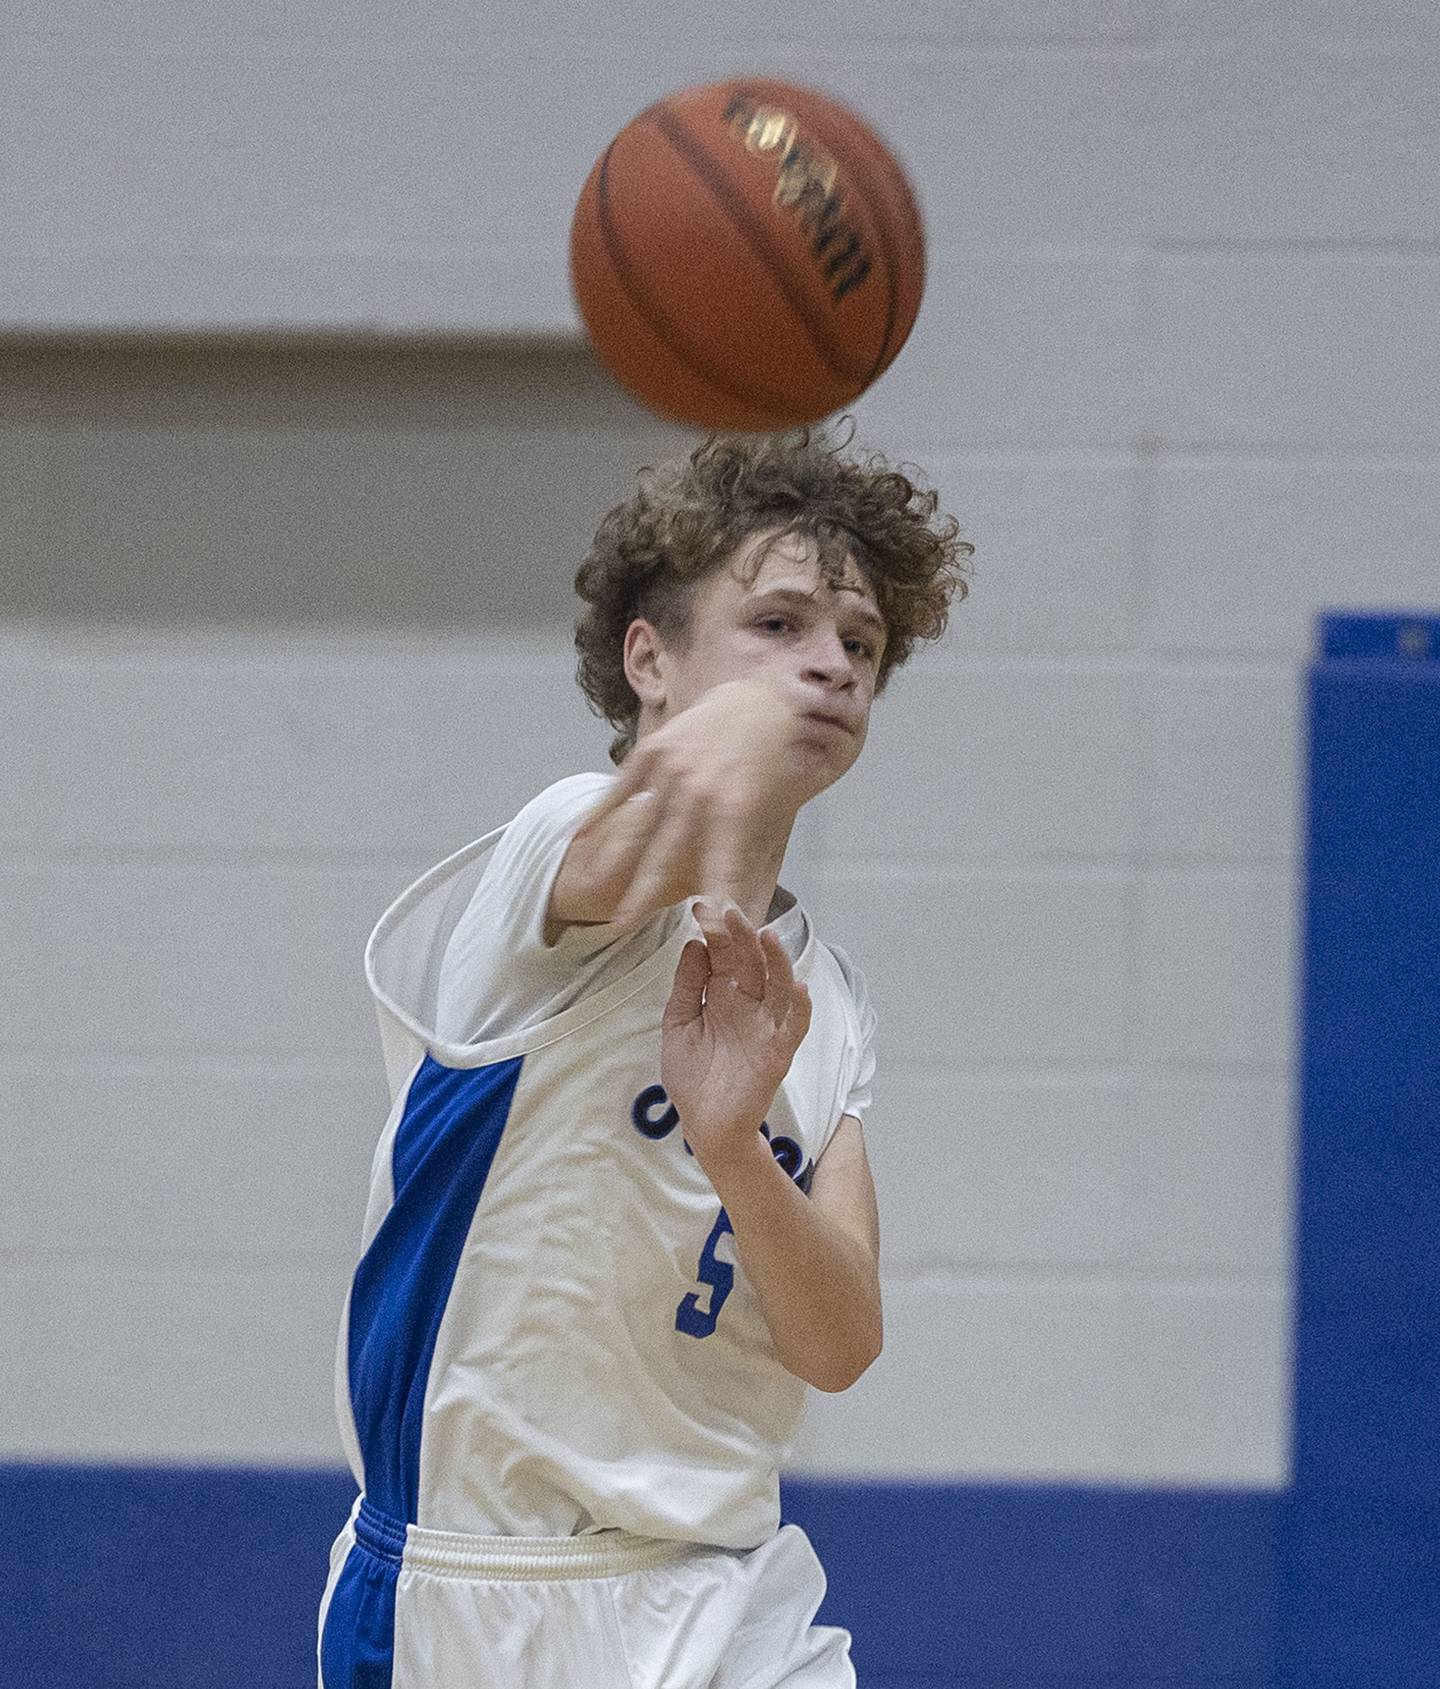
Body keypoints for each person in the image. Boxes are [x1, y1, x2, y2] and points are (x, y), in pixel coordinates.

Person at [316, 425, 969, 1688]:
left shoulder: (827, 1002)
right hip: (482, 1595)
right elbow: (651, 825)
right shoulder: (558, 863)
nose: (830, 663)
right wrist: (729, 732)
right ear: (649, 659)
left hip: (726, 1589)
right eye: (777, 625)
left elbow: (838, 1343)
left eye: (861, 644)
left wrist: (736, 1148)